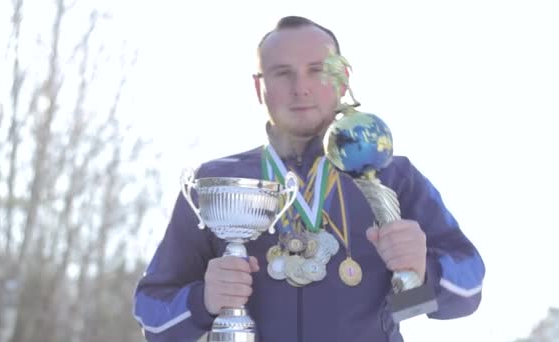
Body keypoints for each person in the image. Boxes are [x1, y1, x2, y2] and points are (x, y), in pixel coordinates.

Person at [132, 16, 486, 342]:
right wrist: (202, 301)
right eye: (283, 73)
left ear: (343, 80)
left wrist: (422, 271)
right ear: (260, 88)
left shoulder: (392, 176)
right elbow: (152, 315)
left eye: (316, 70)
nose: (300, 88)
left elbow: (467, 293)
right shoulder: (216, 183)